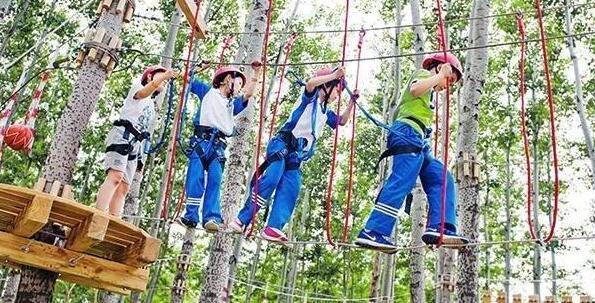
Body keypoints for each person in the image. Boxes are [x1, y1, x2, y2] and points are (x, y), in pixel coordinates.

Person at [355, 52, 470, 253]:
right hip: (407, 132)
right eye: (448, 79)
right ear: (439, 67)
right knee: (402, 181)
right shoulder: (424, 75)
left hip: (419, 141)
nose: (446, 86)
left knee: (442, 177)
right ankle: (373, 230)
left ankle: (441, 226)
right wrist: (438, 76)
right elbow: (415, 89)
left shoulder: (430, 91)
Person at [230, 66, 359, 244]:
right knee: (272, 178)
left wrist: (352, 102)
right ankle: (242, 219)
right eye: (337, 89)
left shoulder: (325, 112)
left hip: (296, 155)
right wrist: (335, 75)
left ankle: (273, 227)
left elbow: (342, 121)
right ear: (327, 86)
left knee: (292, 186)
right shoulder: (309, 98)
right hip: (282, 144)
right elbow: (311, 83)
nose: (338, 95)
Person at [179, 62, 262, 232]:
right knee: (195, 178)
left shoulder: (233, 104)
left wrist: (256, 73)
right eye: (238, 83)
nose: (239, 88)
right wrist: (198, 68)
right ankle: (191, 215)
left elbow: (249, 94)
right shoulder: (208, 92)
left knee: (215, 180)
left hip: (218, 146)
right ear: (227, 79)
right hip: (201, 142)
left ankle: (211, 217)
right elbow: (187, 77)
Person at [96, 65, 176, 217]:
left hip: (136, 143)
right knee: (115, 176)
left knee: (124, 187)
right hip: (123, 135)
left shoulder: (151, 104)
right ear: (150, 77)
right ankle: (99, 213)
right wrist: (165, 75)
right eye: (160, 77)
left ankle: (113, 218)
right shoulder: (138, 87)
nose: (163, 81)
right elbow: (145, 92)